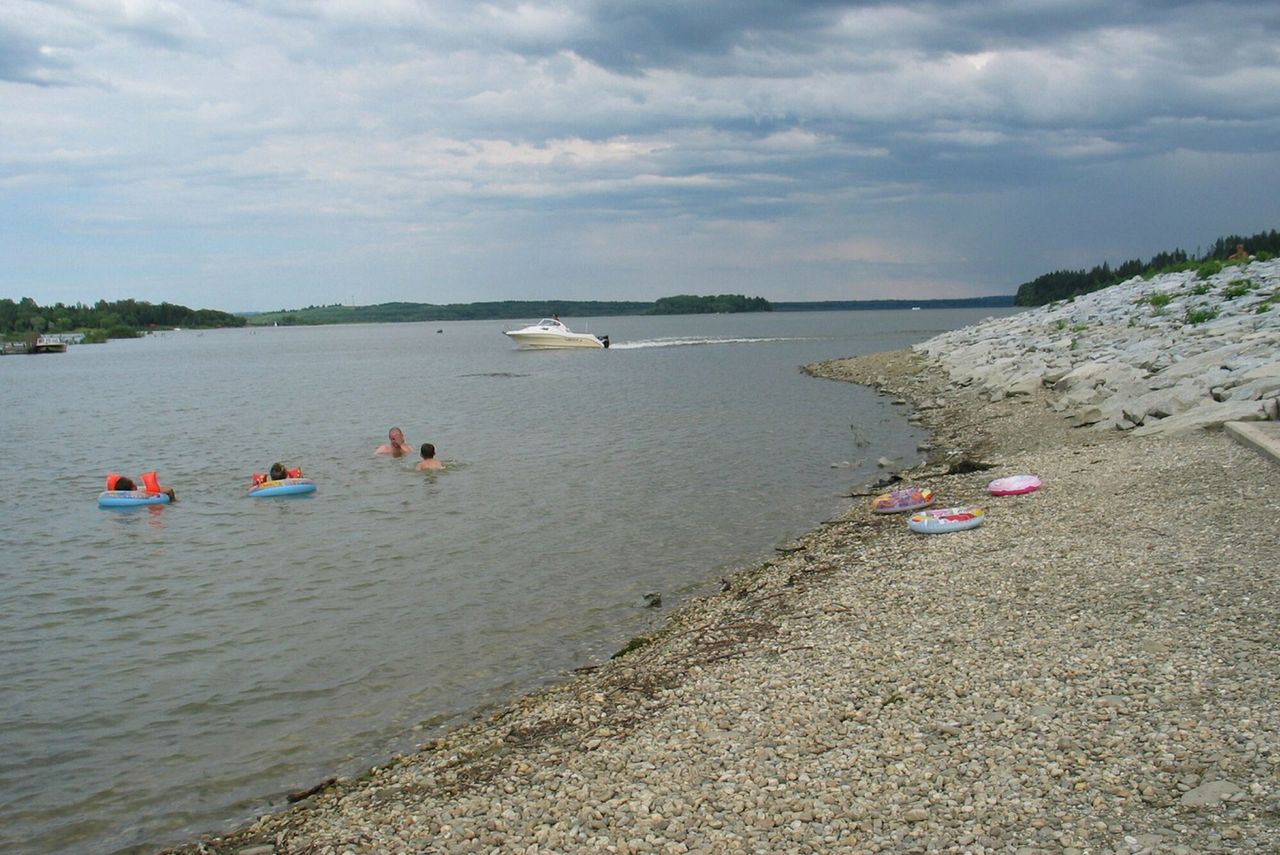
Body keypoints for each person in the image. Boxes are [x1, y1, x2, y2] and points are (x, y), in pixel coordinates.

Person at [107, 471, 177, 501]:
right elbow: (169, 490)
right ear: (132, 488)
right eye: (133, 484)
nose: (135, 485)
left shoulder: (120, 497)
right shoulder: (143, 492)